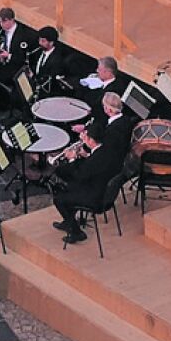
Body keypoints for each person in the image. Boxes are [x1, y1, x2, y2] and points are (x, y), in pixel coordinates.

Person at [52, 91, 131, 244]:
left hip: (96, 195)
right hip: (104, 176)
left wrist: (73, 158)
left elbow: (80, 176)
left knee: (60, 197)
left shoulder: (103, 149)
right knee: (66, 186)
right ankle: (70, 221)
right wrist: (86, 155)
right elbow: (97, 163)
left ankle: (75, 232)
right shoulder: (105, 149)